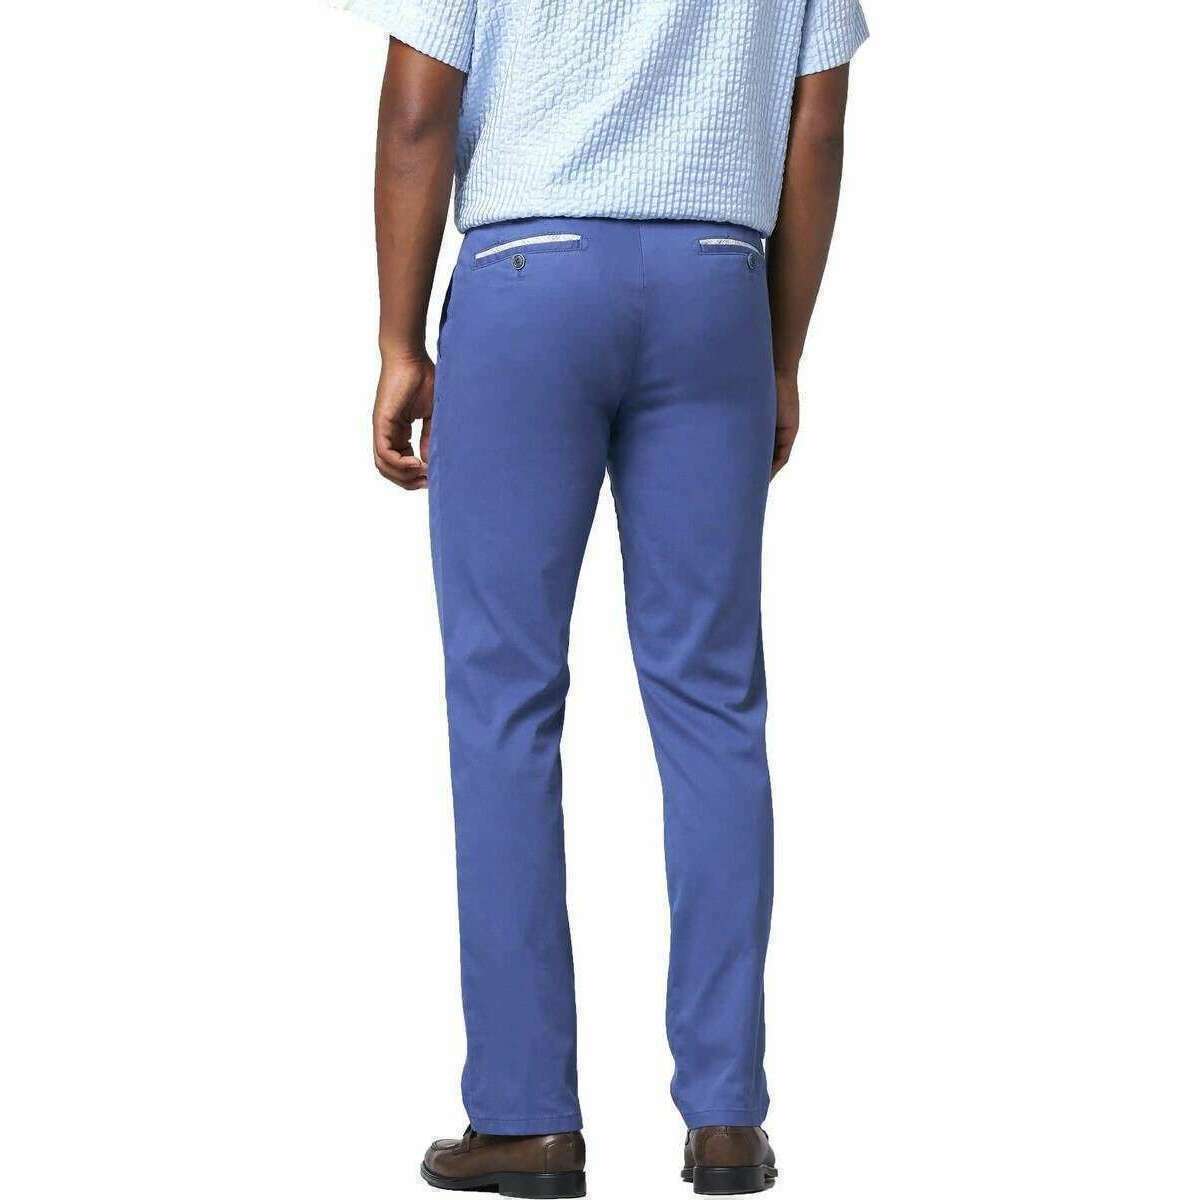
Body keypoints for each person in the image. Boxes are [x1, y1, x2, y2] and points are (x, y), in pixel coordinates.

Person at [340, 0, 867, 1194]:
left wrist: (398, 341)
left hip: (526, 281)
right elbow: (818, 122)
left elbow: (418, 108)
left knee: (504, 701)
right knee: (713, 704)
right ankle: (727, 1117)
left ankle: (525, 1116)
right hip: (718, 288)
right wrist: (780, 353)